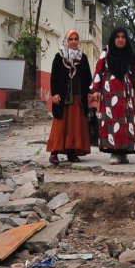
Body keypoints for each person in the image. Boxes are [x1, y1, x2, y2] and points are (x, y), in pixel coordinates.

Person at [89, 28, 135, 164]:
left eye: (123, 37)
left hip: (126, 92)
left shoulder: (131, 54)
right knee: (112, 121)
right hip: (109, 91)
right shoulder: (106, 53)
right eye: (117, 36)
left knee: (126, 121)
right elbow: (98, 71)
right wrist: (95, 90)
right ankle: (114, 153)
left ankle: (124, 153)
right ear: (113, 39)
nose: (120, 39)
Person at [46, 30, 92, 166]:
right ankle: (54, 153)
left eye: (75, 39)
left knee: (75, 124)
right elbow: (54, 76)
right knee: (60, 125)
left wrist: (90, 93)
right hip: (62, 96)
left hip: (78, 97)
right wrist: (54, 94)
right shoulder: (59, 57)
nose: (73, 41)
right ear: (66, 41)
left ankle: (72, 152)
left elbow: (88, 77)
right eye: (70, 39)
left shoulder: (82, 58)